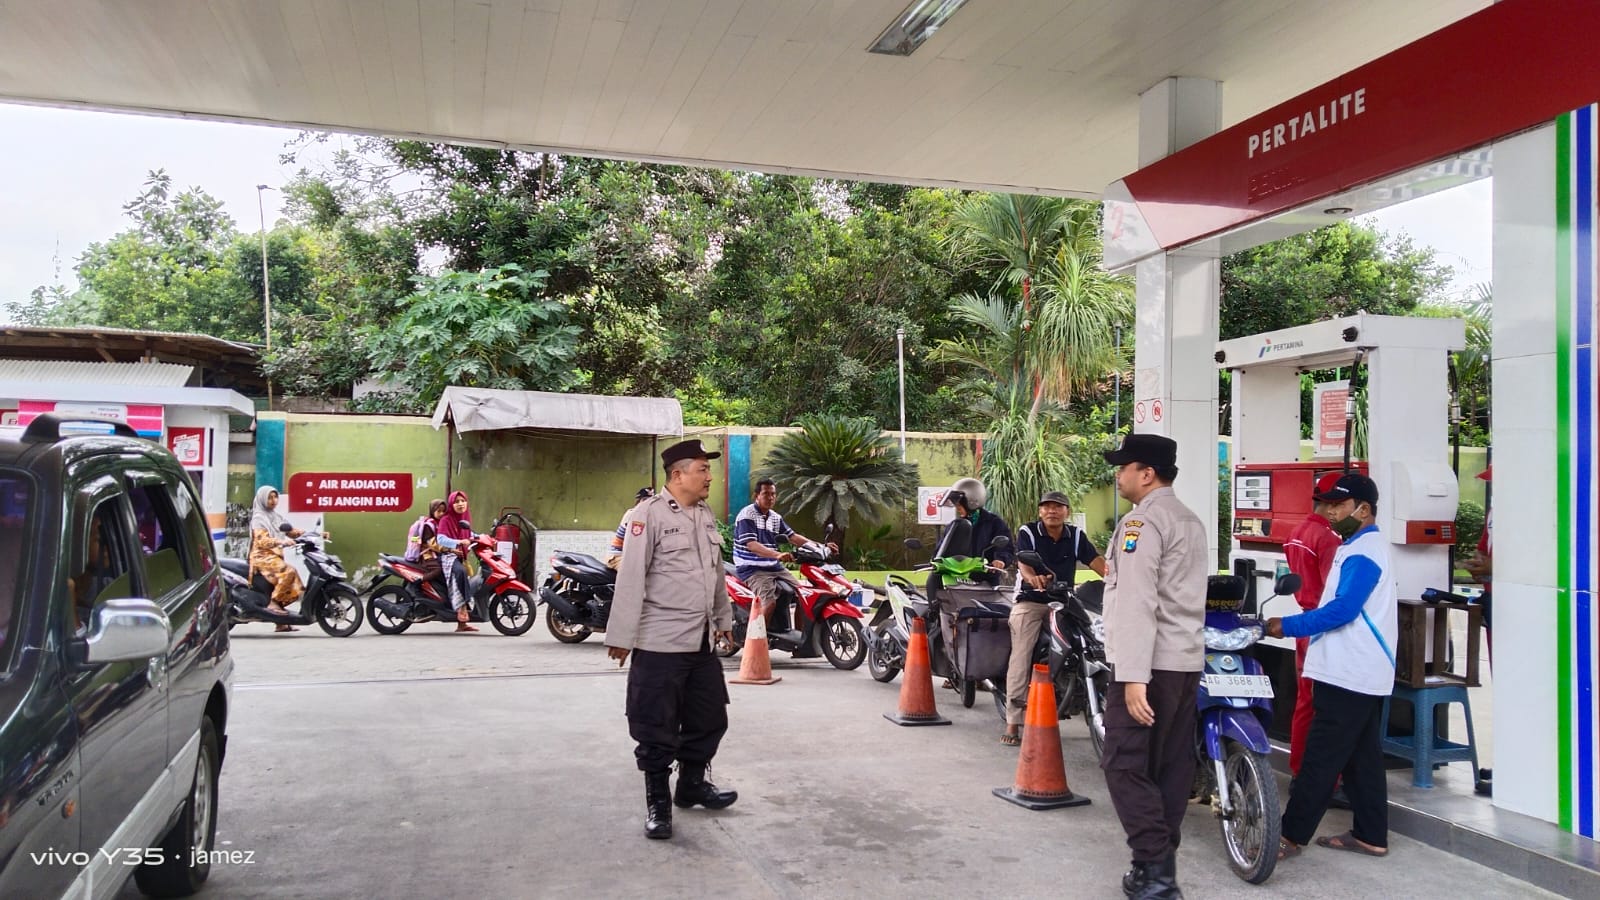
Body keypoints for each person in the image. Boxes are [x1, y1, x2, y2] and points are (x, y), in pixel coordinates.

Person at [605, 439, 737, 841]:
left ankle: (691, 785)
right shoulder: (648, 515)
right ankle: (658, 804)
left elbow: (715, 573)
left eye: (708, 469)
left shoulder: (705, 515)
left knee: (709, 718)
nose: (709, 476)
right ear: (678, 475)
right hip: (659, 643)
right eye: (702, 469)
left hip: (700, 643)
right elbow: (631, 576)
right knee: (655, 726)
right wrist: (622, 635)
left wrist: (723, 619)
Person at [1098, 433, 1209, 900]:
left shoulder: (1141, 523)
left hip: (1150, 666)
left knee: (1123, 764)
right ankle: (1155, 866)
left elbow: (1137, 602)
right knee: (1170, 766)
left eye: (1123, 467)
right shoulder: (1189, 519)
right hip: (1184, 663)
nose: (1117, 475)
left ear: (1146, 474)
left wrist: (1132, 678)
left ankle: (1157, 872)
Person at [1267, 472, 1397, 862]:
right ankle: (1371, 835)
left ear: (1364, 509)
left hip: (1349, 673)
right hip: (1358, 671)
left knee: (1319, 761)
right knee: (1362, 759)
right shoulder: (1357, 546)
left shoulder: (1363, 551)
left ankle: (1289, 836)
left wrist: (1287, 625)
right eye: (1326, 504)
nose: (1329, 512)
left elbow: (1343, 610)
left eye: (1338, 505)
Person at [1002, 491, 1106, 745]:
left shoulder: (1076, 536)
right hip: (1032, 600)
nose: (1052, 511)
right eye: (1047, 506)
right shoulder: (1028, 532)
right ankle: (1013, 720)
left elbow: (1096, 562)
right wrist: (1033, 579)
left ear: (1067, 512)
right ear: (1040, 511)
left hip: (1066, 601)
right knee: (1022, 653)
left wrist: (1119, 579)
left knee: (1092, 638)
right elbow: (1024, 563)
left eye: (1058, 507)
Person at [1283, 472, 1345, 778]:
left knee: (1305, 701)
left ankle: (1299, 769)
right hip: (1323, 627)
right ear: (1334, 504)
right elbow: (1334, 591)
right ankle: (1326, 778)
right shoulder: (1328, 539)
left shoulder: (1296, 532)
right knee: (1328, 705)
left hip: (1305, 624)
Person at [732, 478, 835, 638]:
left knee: (805, 595)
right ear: (756, 496)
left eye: (773, 494)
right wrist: (777, 555)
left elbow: (793, 537)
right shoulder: (747, 515)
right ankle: (756, 640)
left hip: (773, 566)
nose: (770, 497)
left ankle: (801, 640)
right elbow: (752, 545)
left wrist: (821, 546)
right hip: (752, 568)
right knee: (769, 602)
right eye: (766, 494)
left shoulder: (775, 517)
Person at [249, 486, 309, 633]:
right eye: (269, 497)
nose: (273, 500)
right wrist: (281, 542)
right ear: (262, 499)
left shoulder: (275, 516)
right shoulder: (258, 518)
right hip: (261, 556)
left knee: (286, 579)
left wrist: (311, 534)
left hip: (273, 555)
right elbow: (262, 541)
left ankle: (280, 623)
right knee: (288, 572)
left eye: (275, 497)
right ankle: (273, 603)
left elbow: (290, 531)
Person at [437, 490, 478, 628]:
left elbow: (469, 534)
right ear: (451, 504)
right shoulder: (446, 519)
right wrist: (458, 542)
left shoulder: (465, 518)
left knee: (466, 576)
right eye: (456, 502)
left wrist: (483, 538)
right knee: (461, 572)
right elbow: (441, 539)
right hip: (448, 556)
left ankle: (462, 625)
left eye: (463, 501)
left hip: (461, 555)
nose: (460, 504)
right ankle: (463, 607)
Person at [607, 487, 655, 569]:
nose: (648, 504)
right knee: (635, 571)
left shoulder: (647, 516)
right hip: (618, 556)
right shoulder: (634, 515)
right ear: (639, 501)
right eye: (644, 500)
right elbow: (635, 543)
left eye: (651, 501)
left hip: (629, 557)